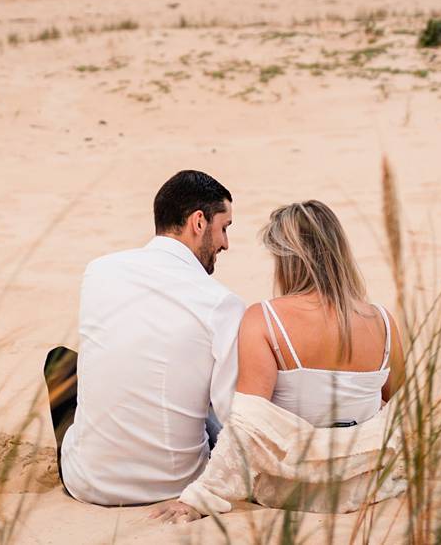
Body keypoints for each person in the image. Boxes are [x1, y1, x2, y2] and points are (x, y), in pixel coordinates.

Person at [152, 199, 406, 521]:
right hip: (366, 483)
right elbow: (402, 407)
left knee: (213, 412)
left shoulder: (265, 319)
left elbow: (250, 424)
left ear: (286, 259)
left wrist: (200, 498)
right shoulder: (383, 321)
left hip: (291, 487)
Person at [46, 170, 246, 505]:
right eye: (224, 227)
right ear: (199, 222)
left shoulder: (99, 271)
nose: (226, 243)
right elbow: (230, 412)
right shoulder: (221, 303)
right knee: (205, 382)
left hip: (87, 483)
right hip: (175, 484)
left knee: (61, 361)